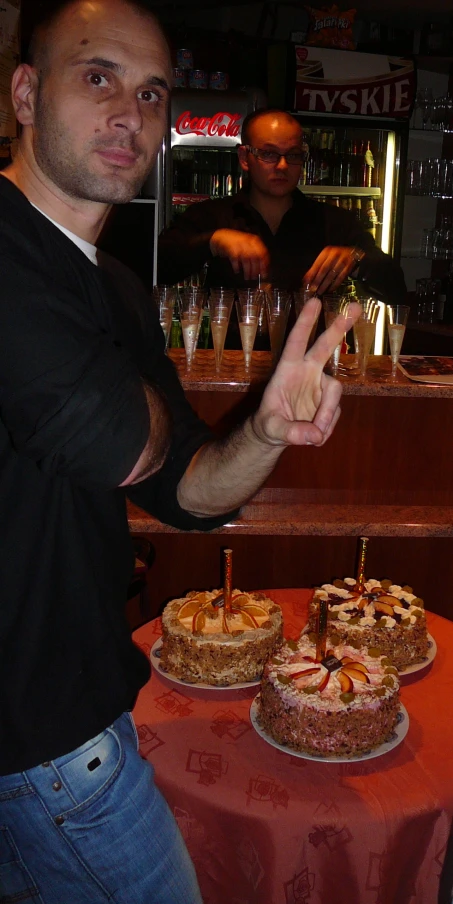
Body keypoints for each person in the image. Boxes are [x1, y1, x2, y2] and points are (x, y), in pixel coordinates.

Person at [0, 2, 360, 902]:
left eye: (153, 93)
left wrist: (266, 434)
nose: (130, 111)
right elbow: (124, 443)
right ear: (24, 93)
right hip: (47, 740)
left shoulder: (116, 288)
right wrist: (138, 420)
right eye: (98, 77)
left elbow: (191, 491)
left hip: (77, 703)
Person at [157, 108, 407, 304]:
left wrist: (356, 258)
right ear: (245, 157)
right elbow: (157, 267)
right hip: (232, 363)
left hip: (312, 365)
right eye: (269, 154)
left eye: (294, 155)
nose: (283, 166)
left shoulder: (335, 222)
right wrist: (211, 242)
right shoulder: (211, 216)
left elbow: (396, 290)